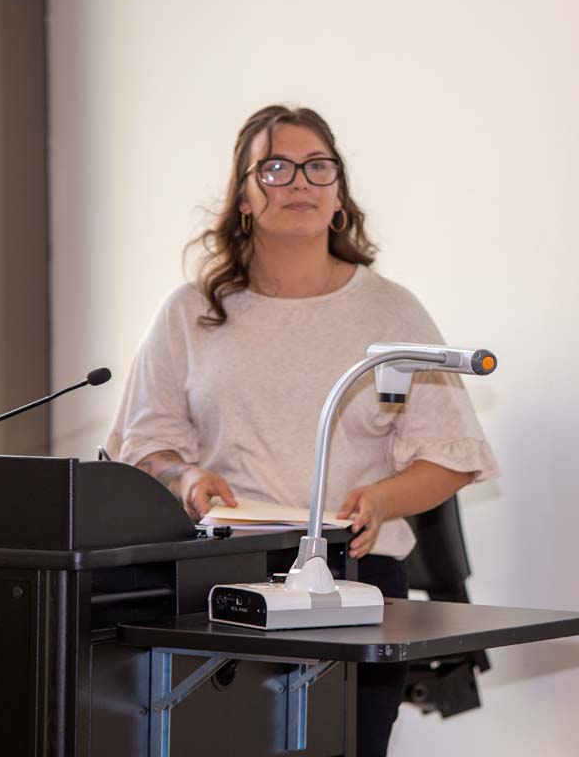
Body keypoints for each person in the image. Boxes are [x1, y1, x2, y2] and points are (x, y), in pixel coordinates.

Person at [105, 104, 498, 755]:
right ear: (244, 198)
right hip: (223, 579)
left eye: (319, 168)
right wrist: (186, 475)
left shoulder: (390, 309)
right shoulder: (190, 312)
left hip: (355, 580)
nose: (300, 183)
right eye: (277, 167)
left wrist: (382, 500)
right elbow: (143, 446)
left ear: (340, 196)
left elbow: (453, 456)